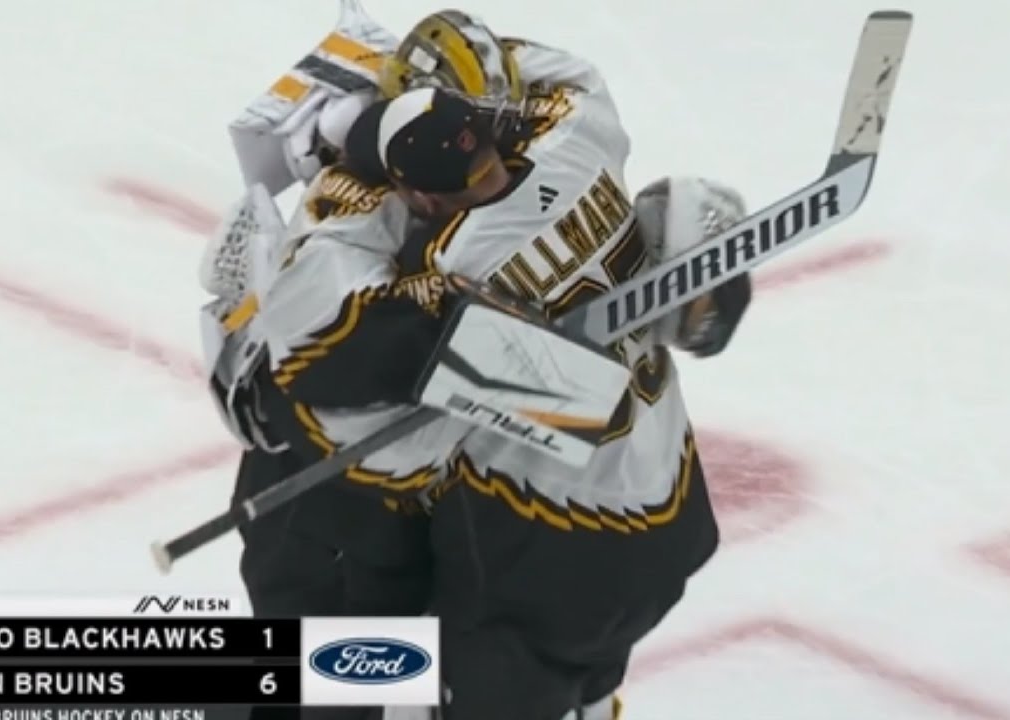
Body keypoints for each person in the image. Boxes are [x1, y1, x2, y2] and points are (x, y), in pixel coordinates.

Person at [320, 78, 754, 720]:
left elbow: (350, 369)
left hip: (547, 558)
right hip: (670, 521)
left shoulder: (444, 270)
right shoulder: (578, 148)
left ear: (421, 198)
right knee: (592, 672)